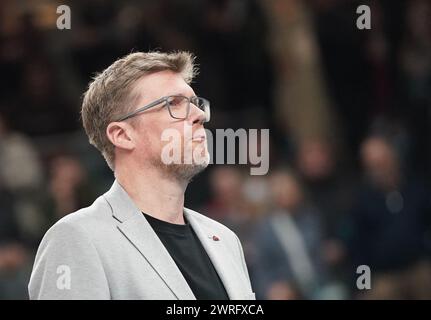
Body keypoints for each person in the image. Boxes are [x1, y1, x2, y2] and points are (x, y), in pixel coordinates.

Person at [28, 51, 255, 300]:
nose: (199, 115)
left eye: (195, 102)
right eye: (173, 103)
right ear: (122, 135)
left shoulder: (225, 240)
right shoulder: (76, 239)